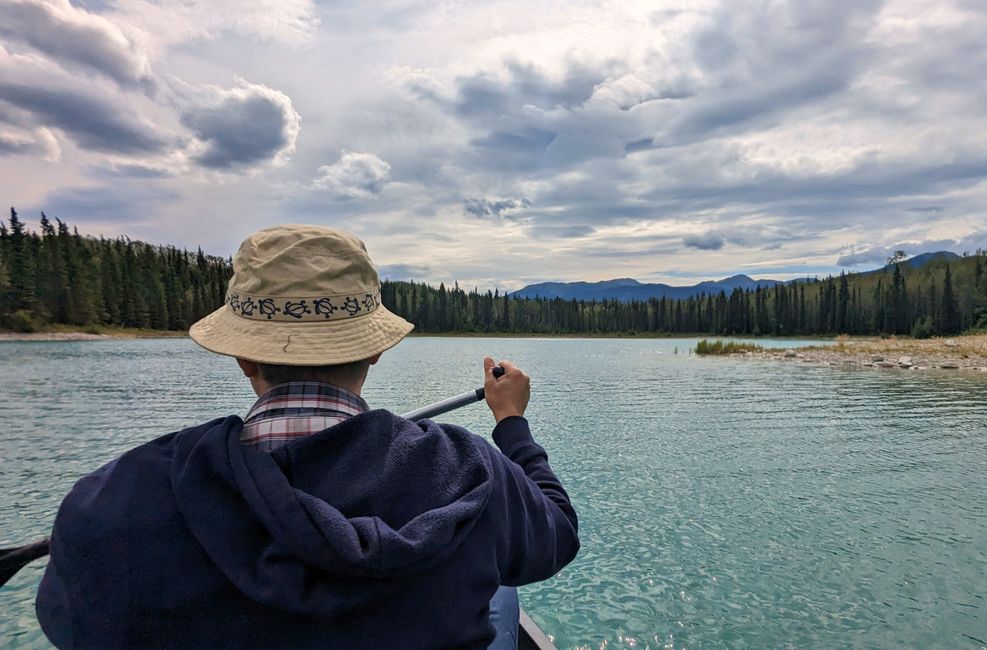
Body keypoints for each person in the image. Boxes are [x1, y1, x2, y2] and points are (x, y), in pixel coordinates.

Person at [35, 224, 580, 649]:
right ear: (374, 346)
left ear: (241, 352)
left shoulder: (111, 499)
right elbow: (557, 533)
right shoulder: (469, 472)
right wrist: (510, 423)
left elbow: (74, 623)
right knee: (501, 587)